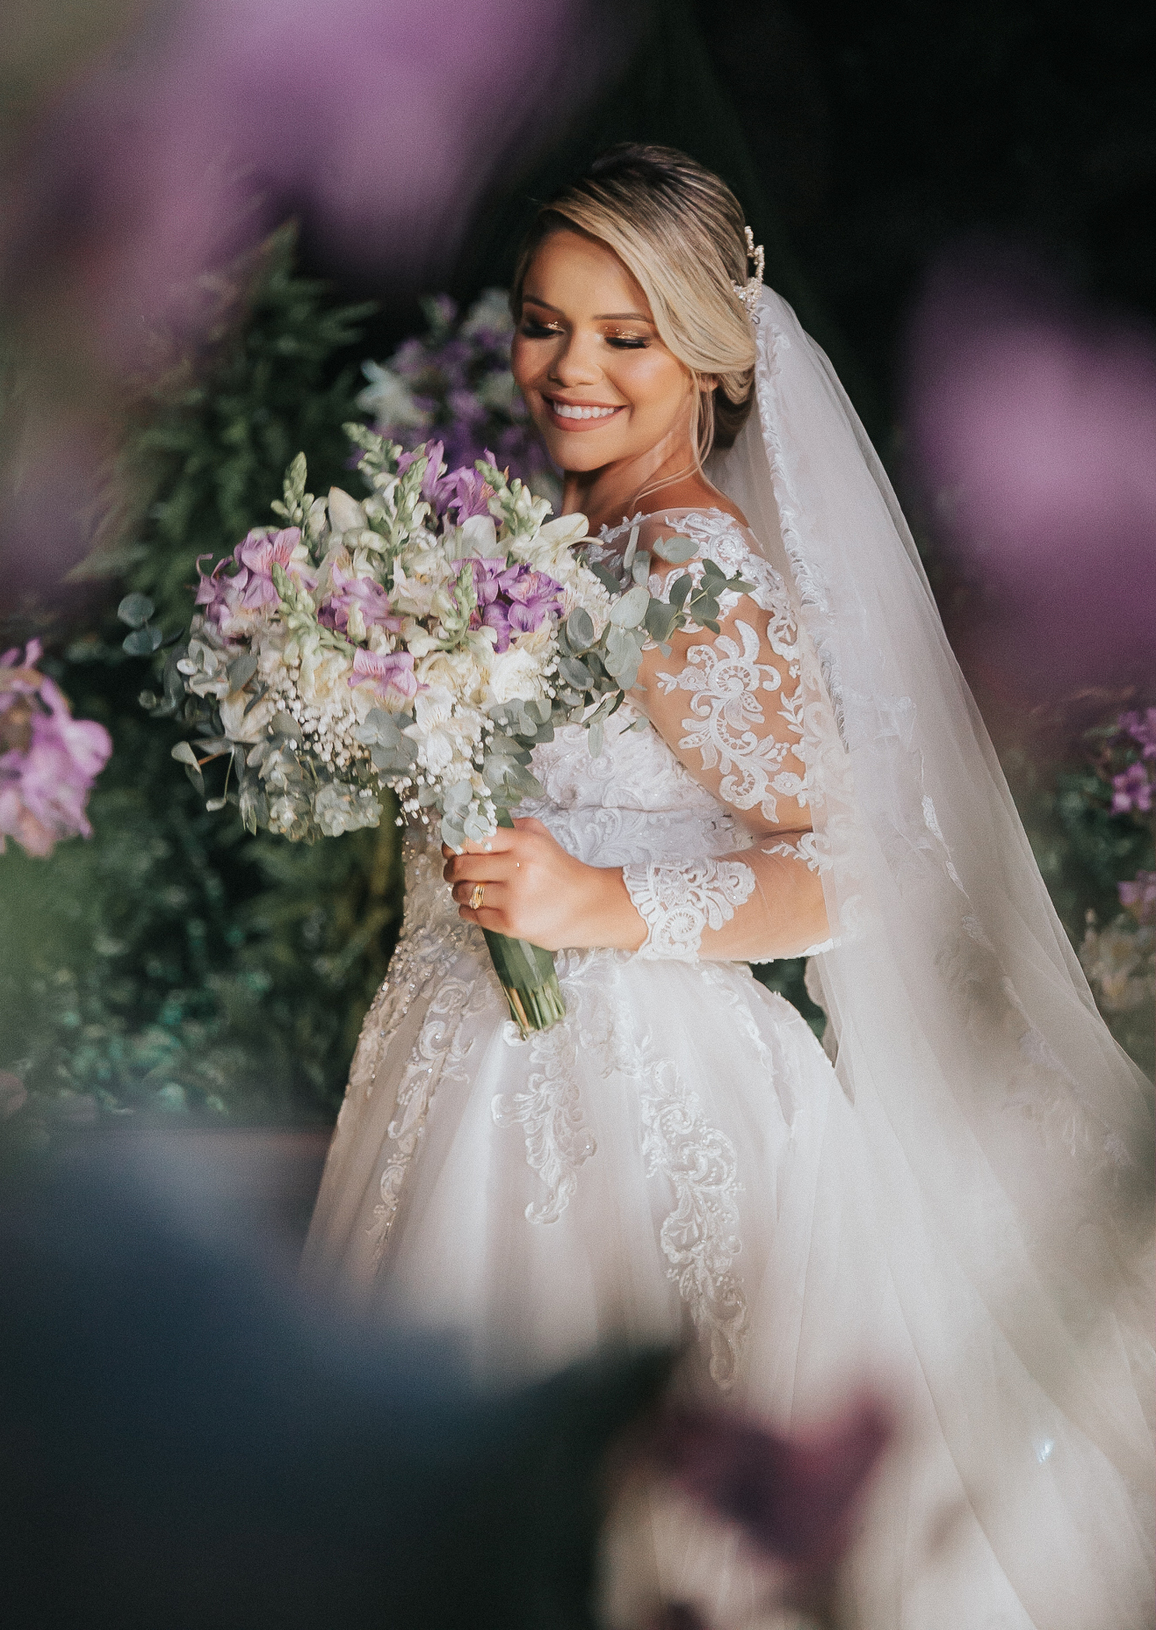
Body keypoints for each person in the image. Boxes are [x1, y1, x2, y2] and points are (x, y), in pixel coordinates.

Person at [304, 145, 1154, 1628]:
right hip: (477, 1065)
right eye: (544, 320)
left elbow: (852, 873)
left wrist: (598, 905)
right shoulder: (570, 541)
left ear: (710, 353)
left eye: (625, 336)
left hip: (625, 1102)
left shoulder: (675, 568)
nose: (571, 368)